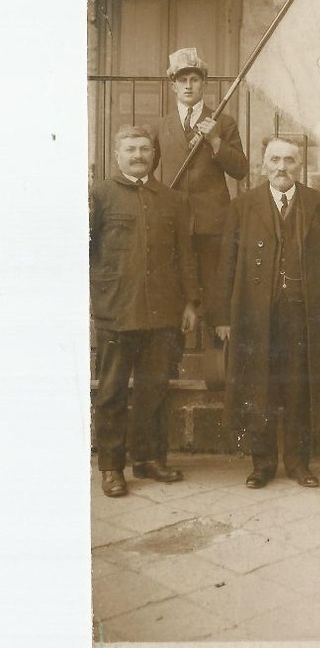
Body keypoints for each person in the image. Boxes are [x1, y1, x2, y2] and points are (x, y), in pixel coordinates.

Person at [213, 138, 320, 489]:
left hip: (303, 317)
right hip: (256, 317)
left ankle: (298, 462)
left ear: (299, 166)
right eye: (274, 160)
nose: (281, 167)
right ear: (262, 165)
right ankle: (262, 464)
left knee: (298, 389)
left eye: (289, 160)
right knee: (261, 386)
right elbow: (226, 266)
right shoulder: (243, 207)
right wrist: (224, 318)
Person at [90, 125, 199, 497]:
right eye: (130, 149)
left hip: (162, 313)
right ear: (117, 155)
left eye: (144, 149)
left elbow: (185, 255)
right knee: (112, 392)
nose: (138, 155)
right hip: (117, 310)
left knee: (154, 389)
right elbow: (85, 253)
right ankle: (111, 467)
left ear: (154, 155)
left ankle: (149, 459)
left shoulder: (171, 200)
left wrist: (189, 302)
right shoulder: (99, 195)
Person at [156, 48, 248, 320]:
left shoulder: (223, 122)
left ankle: (216, 356)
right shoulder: (162, 125)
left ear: (203, 84)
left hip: (212, 223)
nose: (188, 85)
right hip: (174, 221)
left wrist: (216, 141)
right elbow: (146, 171)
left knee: (215, 292)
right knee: (175, 292)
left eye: (194, 79)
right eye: (182, 80)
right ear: (173, 85)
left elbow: (240, 169)